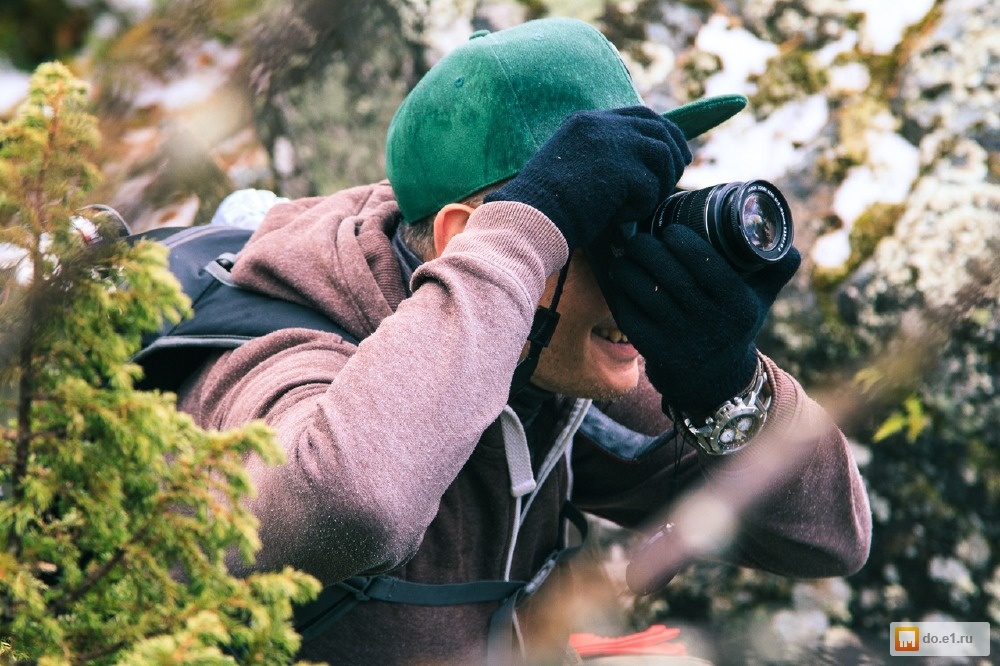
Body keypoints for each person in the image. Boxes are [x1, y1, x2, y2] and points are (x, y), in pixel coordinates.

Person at [177, 17, 872, 665]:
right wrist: (525, 233)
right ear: (469, 242)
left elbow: (829, 538)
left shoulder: (562, 360)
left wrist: (732, 388)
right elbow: (356, 506)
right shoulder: (274, 357)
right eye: (605, 226)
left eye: (648, 217)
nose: (638, 272)